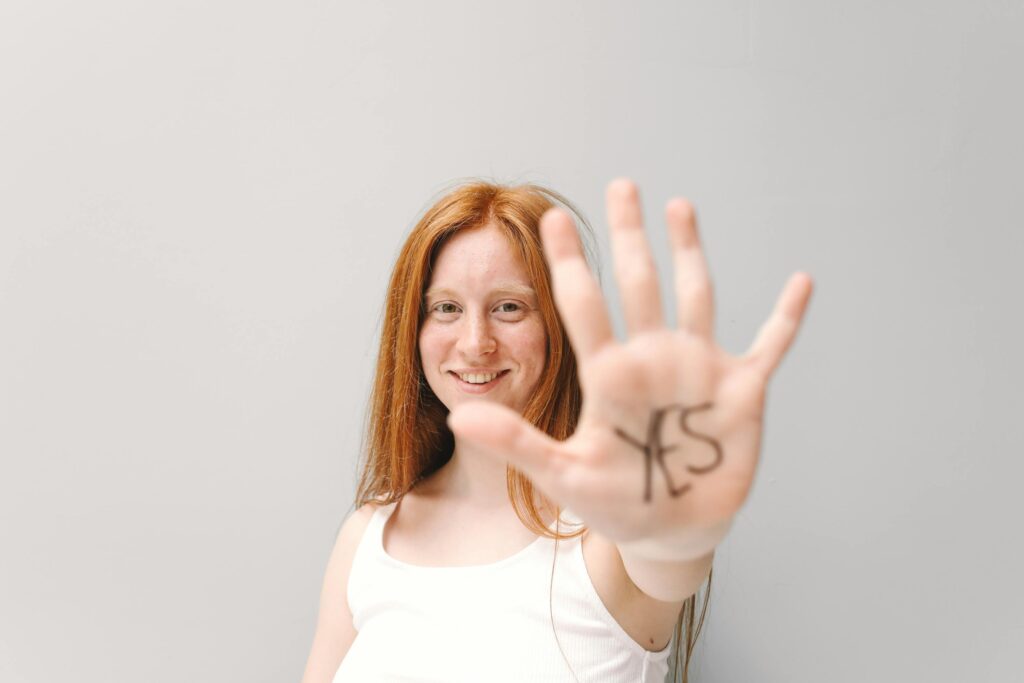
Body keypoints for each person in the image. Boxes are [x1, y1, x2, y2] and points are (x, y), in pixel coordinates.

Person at [300, 178, 814, 683]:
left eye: (509, 308)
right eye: (447, 308)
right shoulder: (367, 538)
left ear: (557, 329)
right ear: (412, 330)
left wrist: (679, 517)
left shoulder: (608, 532)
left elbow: (667, 553)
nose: (475, 342)